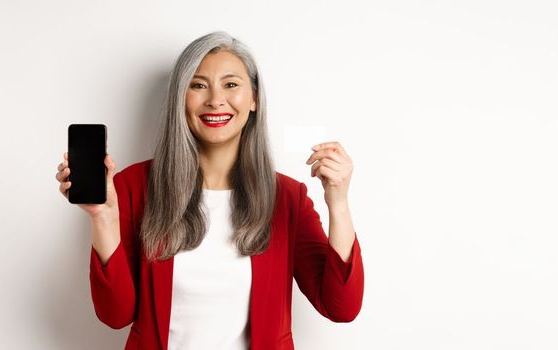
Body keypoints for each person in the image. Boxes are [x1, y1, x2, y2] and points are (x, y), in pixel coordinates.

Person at [55, 31, 363, 350]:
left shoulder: (286, 197)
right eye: (198, 85)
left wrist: (338, 202)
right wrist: (103, 217)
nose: (215, 99)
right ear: (180, 97)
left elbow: (340, 307)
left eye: (231, 84)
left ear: (254, 98)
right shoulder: (133, 186)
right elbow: (115, 314)